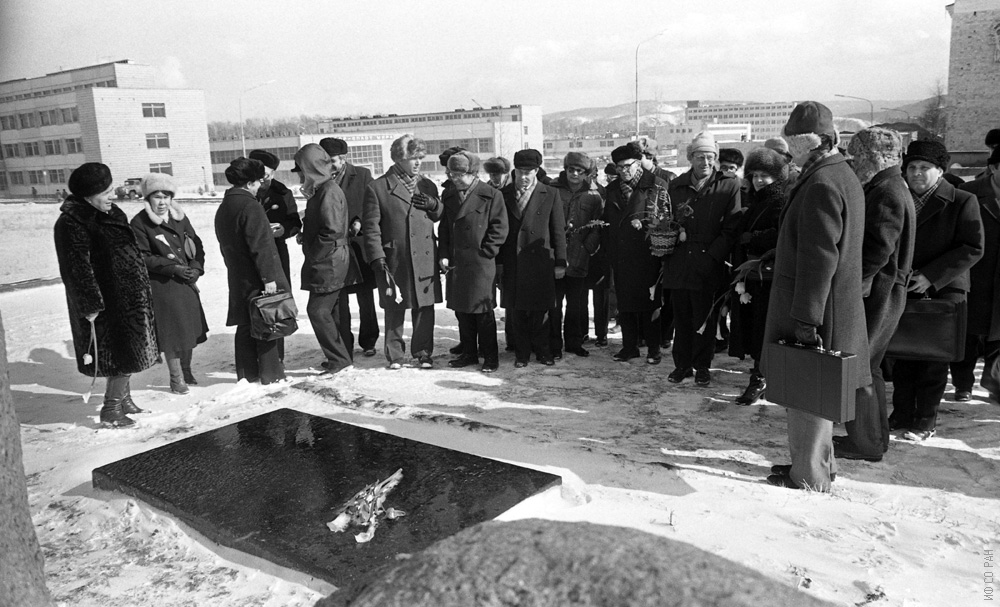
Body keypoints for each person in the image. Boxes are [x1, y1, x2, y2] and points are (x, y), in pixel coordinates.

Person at [762, 101, 869, 491]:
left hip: (817, 307)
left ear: (812, 142)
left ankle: (809, 475)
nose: (791, 151)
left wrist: (807, 319)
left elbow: (819, 258)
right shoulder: (839, 173)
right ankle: (818, 465)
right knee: (817, 390)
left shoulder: (821, 183)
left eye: (795, 142)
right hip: (832, 304)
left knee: (808, 390)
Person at [889, 140, 983, 441]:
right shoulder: (898, 197)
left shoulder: (962, 200)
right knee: (903, 356)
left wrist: (931, 276)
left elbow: (972, 246)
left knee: (933, 360)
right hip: (905, 284)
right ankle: (901, 414)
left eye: (925, 168)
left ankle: (925, 421)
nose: (917, 173)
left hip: (943, 288)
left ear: (940, 171)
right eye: (912, 167)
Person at [54, 162, 158, 427]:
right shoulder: (72, 222)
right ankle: (111, 409)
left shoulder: (111, 213)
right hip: (106, 303)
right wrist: (90, 303)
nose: (114, 195)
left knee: (132, 351)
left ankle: (124, 399)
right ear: (88, 196)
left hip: (130, 298)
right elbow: (75, 269)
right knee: (121, 355)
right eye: (106, 192)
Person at [833, 128, 915, 462]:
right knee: (871, 367)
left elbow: (878, 249)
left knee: (859, 369)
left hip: (877, 294)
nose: (853, 163)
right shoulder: (892, 185)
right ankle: (875, 438)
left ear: (873, 157)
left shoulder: (885, 191)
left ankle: (865, 443)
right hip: (885, 291)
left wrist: (854, 285)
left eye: (857, 157)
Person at [664, 132, 742, 386]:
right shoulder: (677, 185)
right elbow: (669, 220)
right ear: (690, 158)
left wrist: (712, 257)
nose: (705, 162)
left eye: (710, 157)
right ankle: (682, 365)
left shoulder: (728, 185)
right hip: (679, 260)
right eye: (700, 157)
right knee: (682, 317)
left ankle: (702, 366)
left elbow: (731, 228)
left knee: (705, 318)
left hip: (709, 262)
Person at [362, 135, 443, 369]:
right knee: (394, 305)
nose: (417, 163)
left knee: (424, 305)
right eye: (412, 158)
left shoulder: (427, 185)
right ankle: (395, 355)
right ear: (398, 159)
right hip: (395, 257)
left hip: (424, 254)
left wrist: (434, 205)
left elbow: (438, 215)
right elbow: (371, 228)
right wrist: (377, 256)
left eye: (420, 158)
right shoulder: (377, 187)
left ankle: (423, 352)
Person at [129, 173, 209, 395]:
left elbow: (196, 244)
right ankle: (176, 378)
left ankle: (187, 370)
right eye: (157, 197)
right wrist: (173, 268)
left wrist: (196, 267)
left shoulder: (179, 217)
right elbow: (142, 256)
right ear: (148, 198)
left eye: (166, 197)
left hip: (186, 282)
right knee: (172, 333)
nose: (162, 202)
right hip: (163, 284)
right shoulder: (139, 222)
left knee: (189, 328)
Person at [215, 157, 289, 384]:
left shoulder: (225, 206)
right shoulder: (251, 206)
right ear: (249, 183)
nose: (259, 187)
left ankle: (247, 374)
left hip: (238, 275)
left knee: (246, 324)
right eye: (257, 182)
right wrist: (269, 278)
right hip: (257, 275)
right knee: (267, 321)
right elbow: (261, 246)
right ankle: (271, 374)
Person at [439, 151, 509, 372]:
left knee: (483, 311)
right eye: (451, 174)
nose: (454, 178)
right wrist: (444, 253)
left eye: (459, 174)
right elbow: (444, 228)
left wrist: (487, 251)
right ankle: (469, 353)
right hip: (457, 262)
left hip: (480, 263)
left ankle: (490, 357)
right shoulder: (449, 195)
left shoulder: (491, 195)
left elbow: (500, 227)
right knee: (462, 311)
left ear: (472, 173)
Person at [728, 147, 788, 405]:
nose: (759, 180)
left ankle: (760, 378)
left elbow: (782, 234)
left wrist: (752, 238)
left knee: (763, 328)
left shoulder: (781, 201)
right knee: (754, 328)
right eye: (754, 175)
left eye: (765, 175)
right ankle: (760, 375)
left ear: (776, 176)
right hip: (752, 276)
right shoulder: (756, 201)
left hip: (768, 277)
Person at [498, 148, 568, 367]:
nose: (524, 176)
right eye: (520, 171)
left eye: (529, 172)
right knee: (517, 310)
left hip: (540, 261)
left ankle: (543, 351)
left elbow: (558, 231)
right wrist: (499, 264)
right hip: (513, 261)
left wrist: (560, 262)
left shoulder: (550, 193)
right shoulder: (504, 194)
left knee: (541, 310)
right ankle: (522, 353)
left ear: (537, 171)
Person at [602, 143, 668, 365]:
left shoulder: (655, 185)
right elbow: (607, 223)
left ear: (638, 163)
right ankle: (629, 347)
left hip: (647, 254)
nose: (623, 171)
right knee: (626, 304)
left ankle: (653, 348)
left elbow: (664, 218)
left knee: (650, 304)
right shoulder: (612, 189)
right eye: (619, 167)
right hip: (621, 255)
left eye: (627, 166)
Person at [296, 143, 354, 374]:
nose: (300, 175)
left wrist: (314, 252)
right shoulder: (323, 189)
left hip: (329, 260)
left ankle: (339, 359)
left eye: (302, 169)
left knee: (318, 311)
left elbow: (332, 231)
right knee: (332, 311)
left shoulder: (328, 191)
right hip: (330, 258)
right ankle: (341, 356)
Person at [318, 137, 378, 358]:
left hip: (358, 246)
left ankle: (369, 340)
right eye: (326, 161)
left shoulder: (362, 175)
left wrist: (360, 220)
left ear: (343, 159)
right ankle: (345, 343)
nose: (330, 165)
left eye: (333, 160)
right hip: (335, 248)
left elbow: (372, 203)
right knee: (340, 298)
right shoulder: (321, 178)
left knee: (365, 297)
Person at [950, 147, 1000, 400]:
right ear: (993, 167)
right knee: (968, 332)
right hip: (975, 271)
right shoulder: (969, 193)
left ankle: (994, 384)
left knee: (998, 334)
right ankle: (962, 384)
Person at [548, 151, 603, 359]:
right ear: (565, 170)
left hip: (579, 257)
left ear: (586, 173)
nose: (575, 174)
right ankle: (554, 345)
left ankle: (574, 342)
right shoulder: (552, 189)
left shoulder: (593, 195)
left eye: (580, 171)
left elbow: (597, 225)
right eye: (571, 170)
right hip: (556, 257)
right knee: (554, 304)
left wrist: (587, 248)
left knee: (576, 304)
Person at [249, 149, 300, 364]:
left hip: (277, 252)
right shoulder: (246, 190)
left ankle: (277, 357)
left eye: (267, 175)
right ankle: (255, 356)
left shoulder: (282, 193)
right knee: (253, 300)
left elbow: (295, 222)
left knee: (277, 302)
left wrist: (283, 230)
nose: (263, 179)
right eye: (260, 175)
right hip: (250, 254)